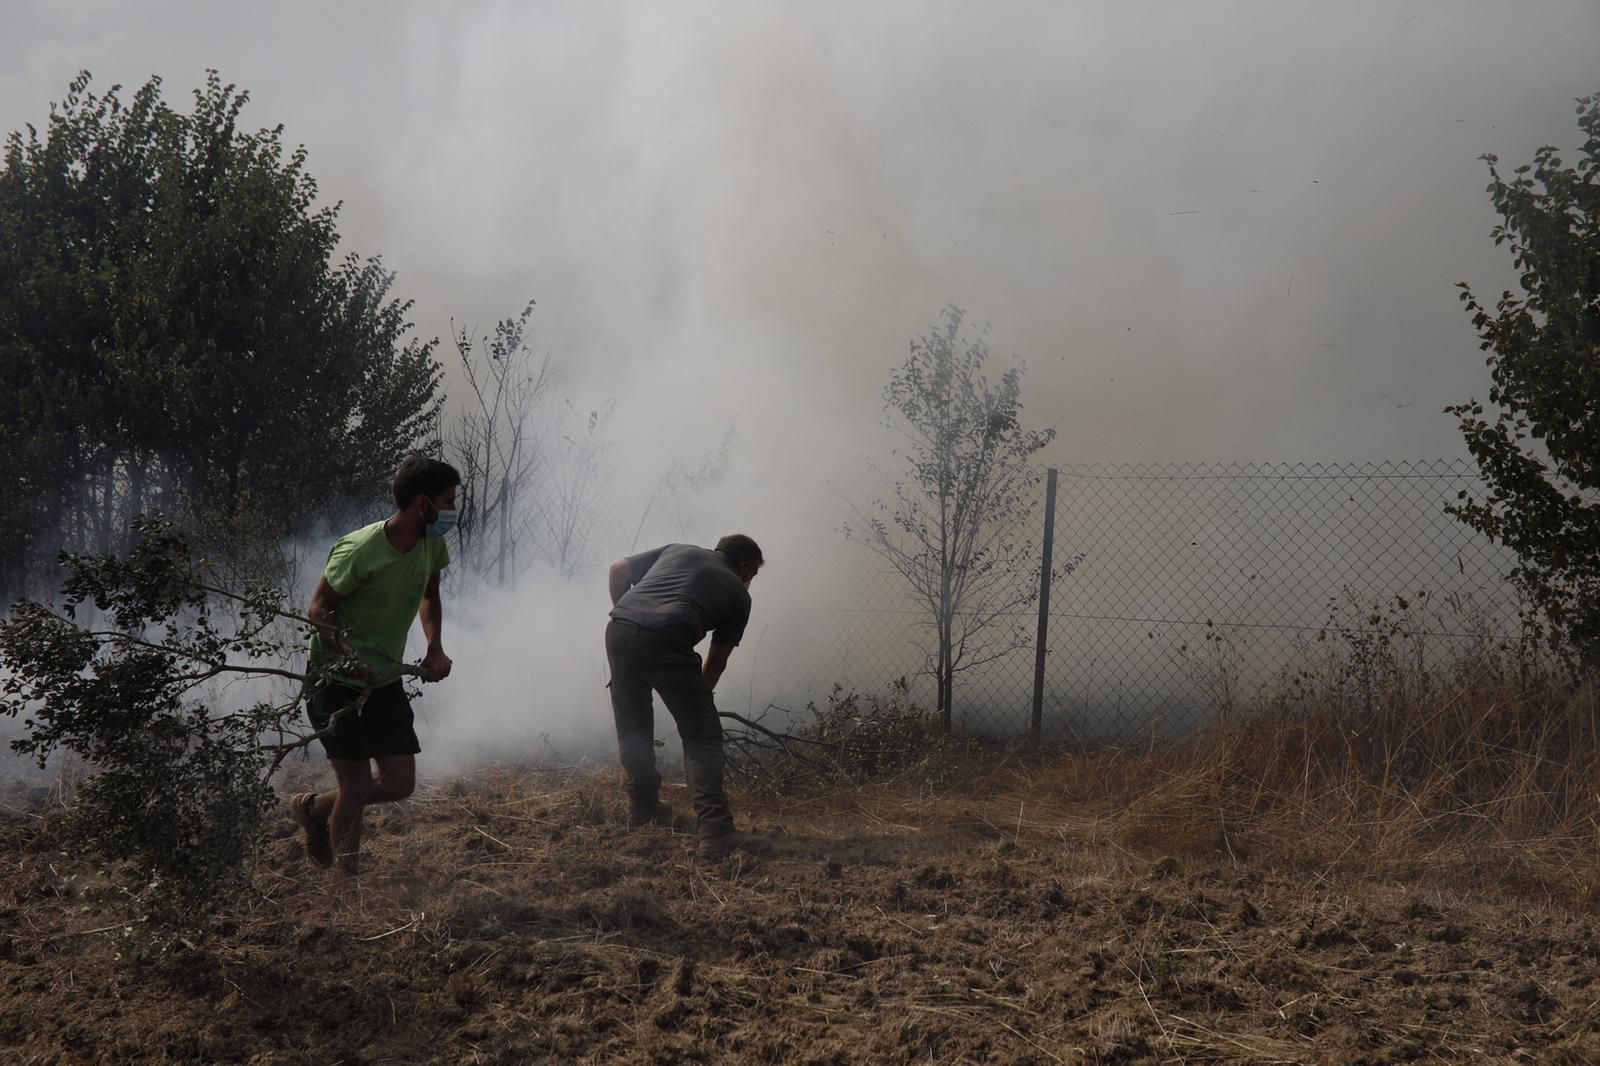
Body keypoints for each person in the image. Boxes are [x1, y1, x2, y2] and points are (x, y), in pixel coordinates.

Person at [289, 455, 459, 875]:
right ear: (423, 505)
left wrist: (434, 647)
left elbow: (429, 595)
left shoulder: (431, 543)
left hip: (382, 679)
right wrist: (348, 655)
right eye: (448, 500)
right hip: (333, 680)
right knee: (357, 784)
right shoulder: (360, 549)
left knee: (400, 783)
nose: (452, 510)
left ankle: (315, 809)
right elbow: (318, 609)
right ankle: (348, 892)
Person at [606, 534, 770, 859]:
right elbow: (717, 661)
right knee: (703, 737)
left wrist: (630, 616)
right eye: (752, 576)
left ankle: (643, 808)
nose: (750, 582)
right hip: (667, 636)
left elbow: (617, 570)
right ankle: (716, 832)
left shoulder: (676, 550)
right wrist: (695, 707)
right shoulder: (739, 594)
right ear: (745, 567)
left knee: (633, 723)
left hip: (620, 628)